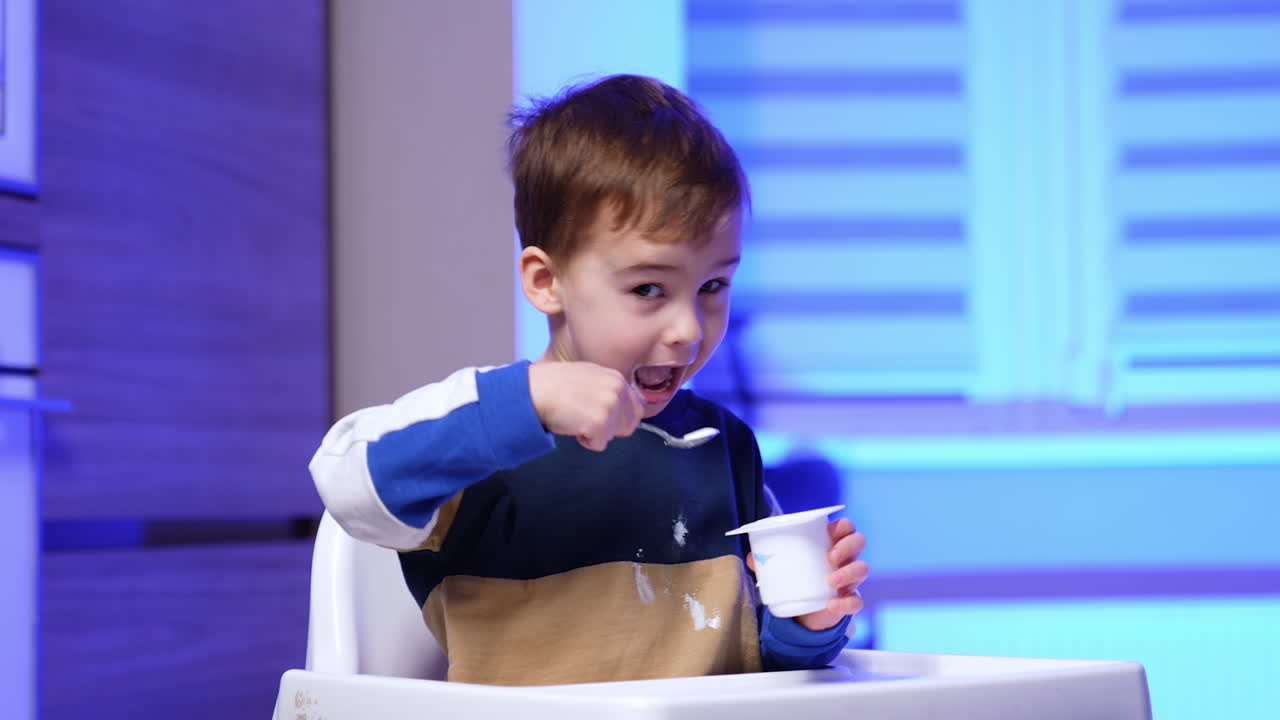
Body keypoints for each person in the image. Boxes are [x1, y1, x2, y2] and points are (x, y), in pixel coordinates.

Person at [310, 74, 869, 686]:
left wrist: (806, 623)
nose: (688, 328)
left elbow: (756, 673)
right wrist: (526, 404)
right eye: (648, 289)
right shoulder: (485, 428)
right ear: (547, 283)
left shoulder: (724, 449)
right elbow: (347, 484)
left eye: (713, 286)